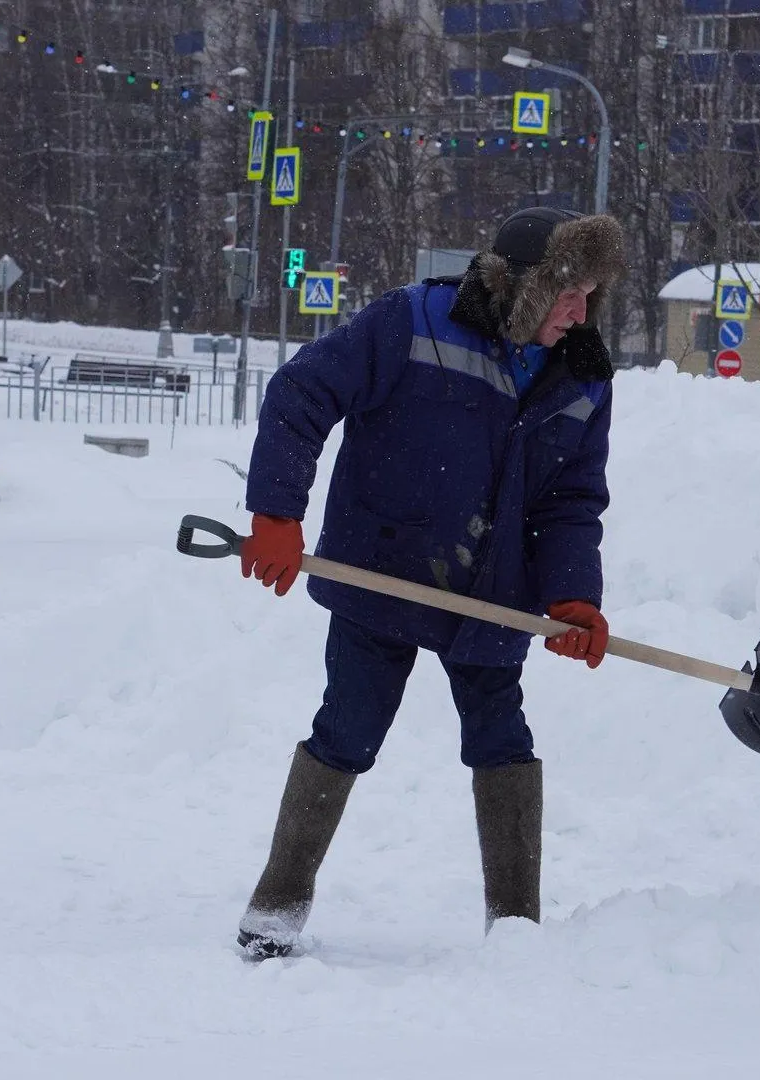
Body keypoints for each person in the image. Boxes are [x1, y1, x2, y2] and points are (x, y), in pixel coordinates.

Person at [234, 206, 626, 958]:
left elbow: (572, 498)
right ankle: (276, 908)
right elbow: (300, 394)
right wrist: (276, 512)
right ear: (526, 286)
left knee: (502, 741)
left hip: (493, 593)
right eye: (570, 293)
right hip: (381, 571)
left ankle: (516, 930)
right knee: (348, 729)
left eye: (592, 297)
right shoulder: (413, 322)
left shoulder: (582, 379)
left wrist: (573, 597)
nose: (581, 314)